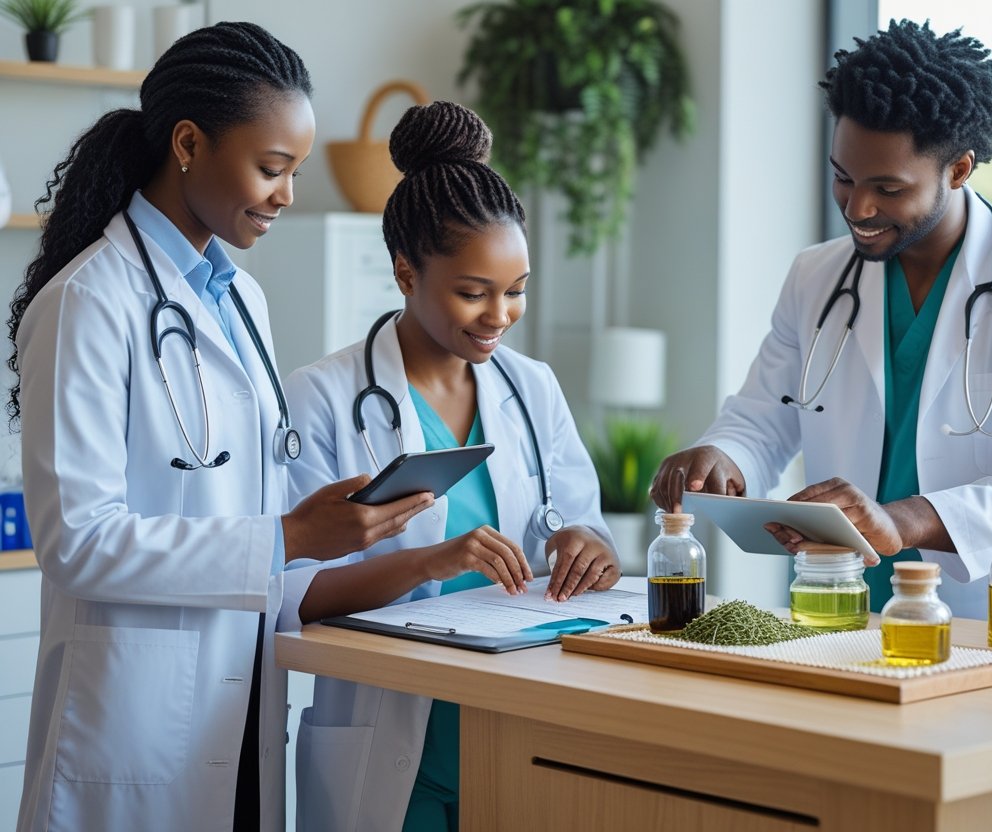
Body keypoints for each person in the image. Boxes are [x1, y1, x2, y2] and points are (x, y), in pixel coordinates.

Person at [8, 23, 430, 831]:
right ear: (190, 143)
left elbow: (238, 496)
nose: (286, 195)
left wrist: (327, 530)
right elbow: (78, 540)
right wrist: (287, 537)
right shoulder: (88, 303)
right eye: (271, 169)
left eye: (294, 172)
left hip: (239, 711)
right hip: (133, 724)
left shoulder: (241, 301)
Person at [650, 19, 992, 620]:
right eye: (843, 177)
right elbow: (763, 419)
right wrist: (722, 455)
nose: (858, 207)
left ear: (958, 170)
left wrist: (904, 521)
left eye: (887, 188)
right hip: (836, 604)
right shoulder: (817, 276)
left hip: (986, 616)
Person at [282, 100, 620, 831]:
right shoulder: (321, 398)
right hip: (391, 737)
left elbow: (580, 522)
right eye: (473, 292)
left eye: (517, 290)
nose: (499, 314)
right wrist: (427, 562)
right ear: (406, 273)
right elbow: (290, 596)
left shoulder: (532, 387)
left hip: (520, 720)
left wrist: (587, 547)